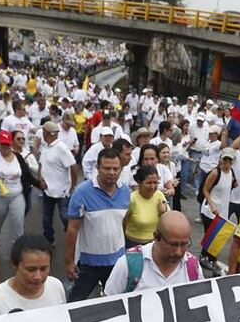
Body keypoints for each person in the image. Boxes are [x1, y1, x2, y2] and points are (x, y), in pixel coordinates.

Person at [65, 147, 132, 302]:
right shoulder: (81, 192)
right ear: (97, 168)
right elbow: (72, 229)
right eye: (107, 168)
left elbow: (123, 223)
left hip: (117, 262)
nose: (112, 172)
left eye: (116, 168)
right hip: (88, 264)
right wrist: (69, 262)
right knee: (75, 303)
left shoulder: (126, 192)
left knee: (117, 303)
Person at [104, 211, 200, 296]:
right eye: (173, 245)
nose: (179, 252)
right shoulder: (127, 264)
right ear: (156, 237)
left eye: (184, 244)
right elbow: (108, 304)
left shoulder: (193, 266)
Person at [0, 130, 40, 245]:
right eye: (2, 144)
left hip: (17, 196)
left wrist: (40, 184)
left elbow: (27, 176)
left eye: (7, 144)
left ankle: (19, 247)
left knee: (18, 223)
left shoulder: (18, 157)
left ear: (10, 144)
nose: (5, 147)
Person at [36, 120, 79, 245]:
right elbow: (41, 165)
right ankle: (49, 240)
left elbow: (73, 166)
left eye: (44, 132)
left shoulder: (61, 148)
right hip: (47, 190)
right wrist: (40, 179)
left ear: (49, 133)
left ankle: (73, 239)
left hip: (61, 191)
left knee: (65, 218)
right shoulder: (45, 147)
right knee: (46, 219)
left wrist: (73, 186)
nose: (42, 134)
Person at [124, 165, 168, 248]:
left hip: (154, 245)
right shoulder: (131, 199)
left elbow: (167, 223)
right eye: (148, 183)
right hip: (133, 245)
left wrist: (163, 213)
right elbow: (123, 223)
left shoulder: (159, 195)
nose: (152, 187)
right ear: (139, 182)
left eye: (155, 183)